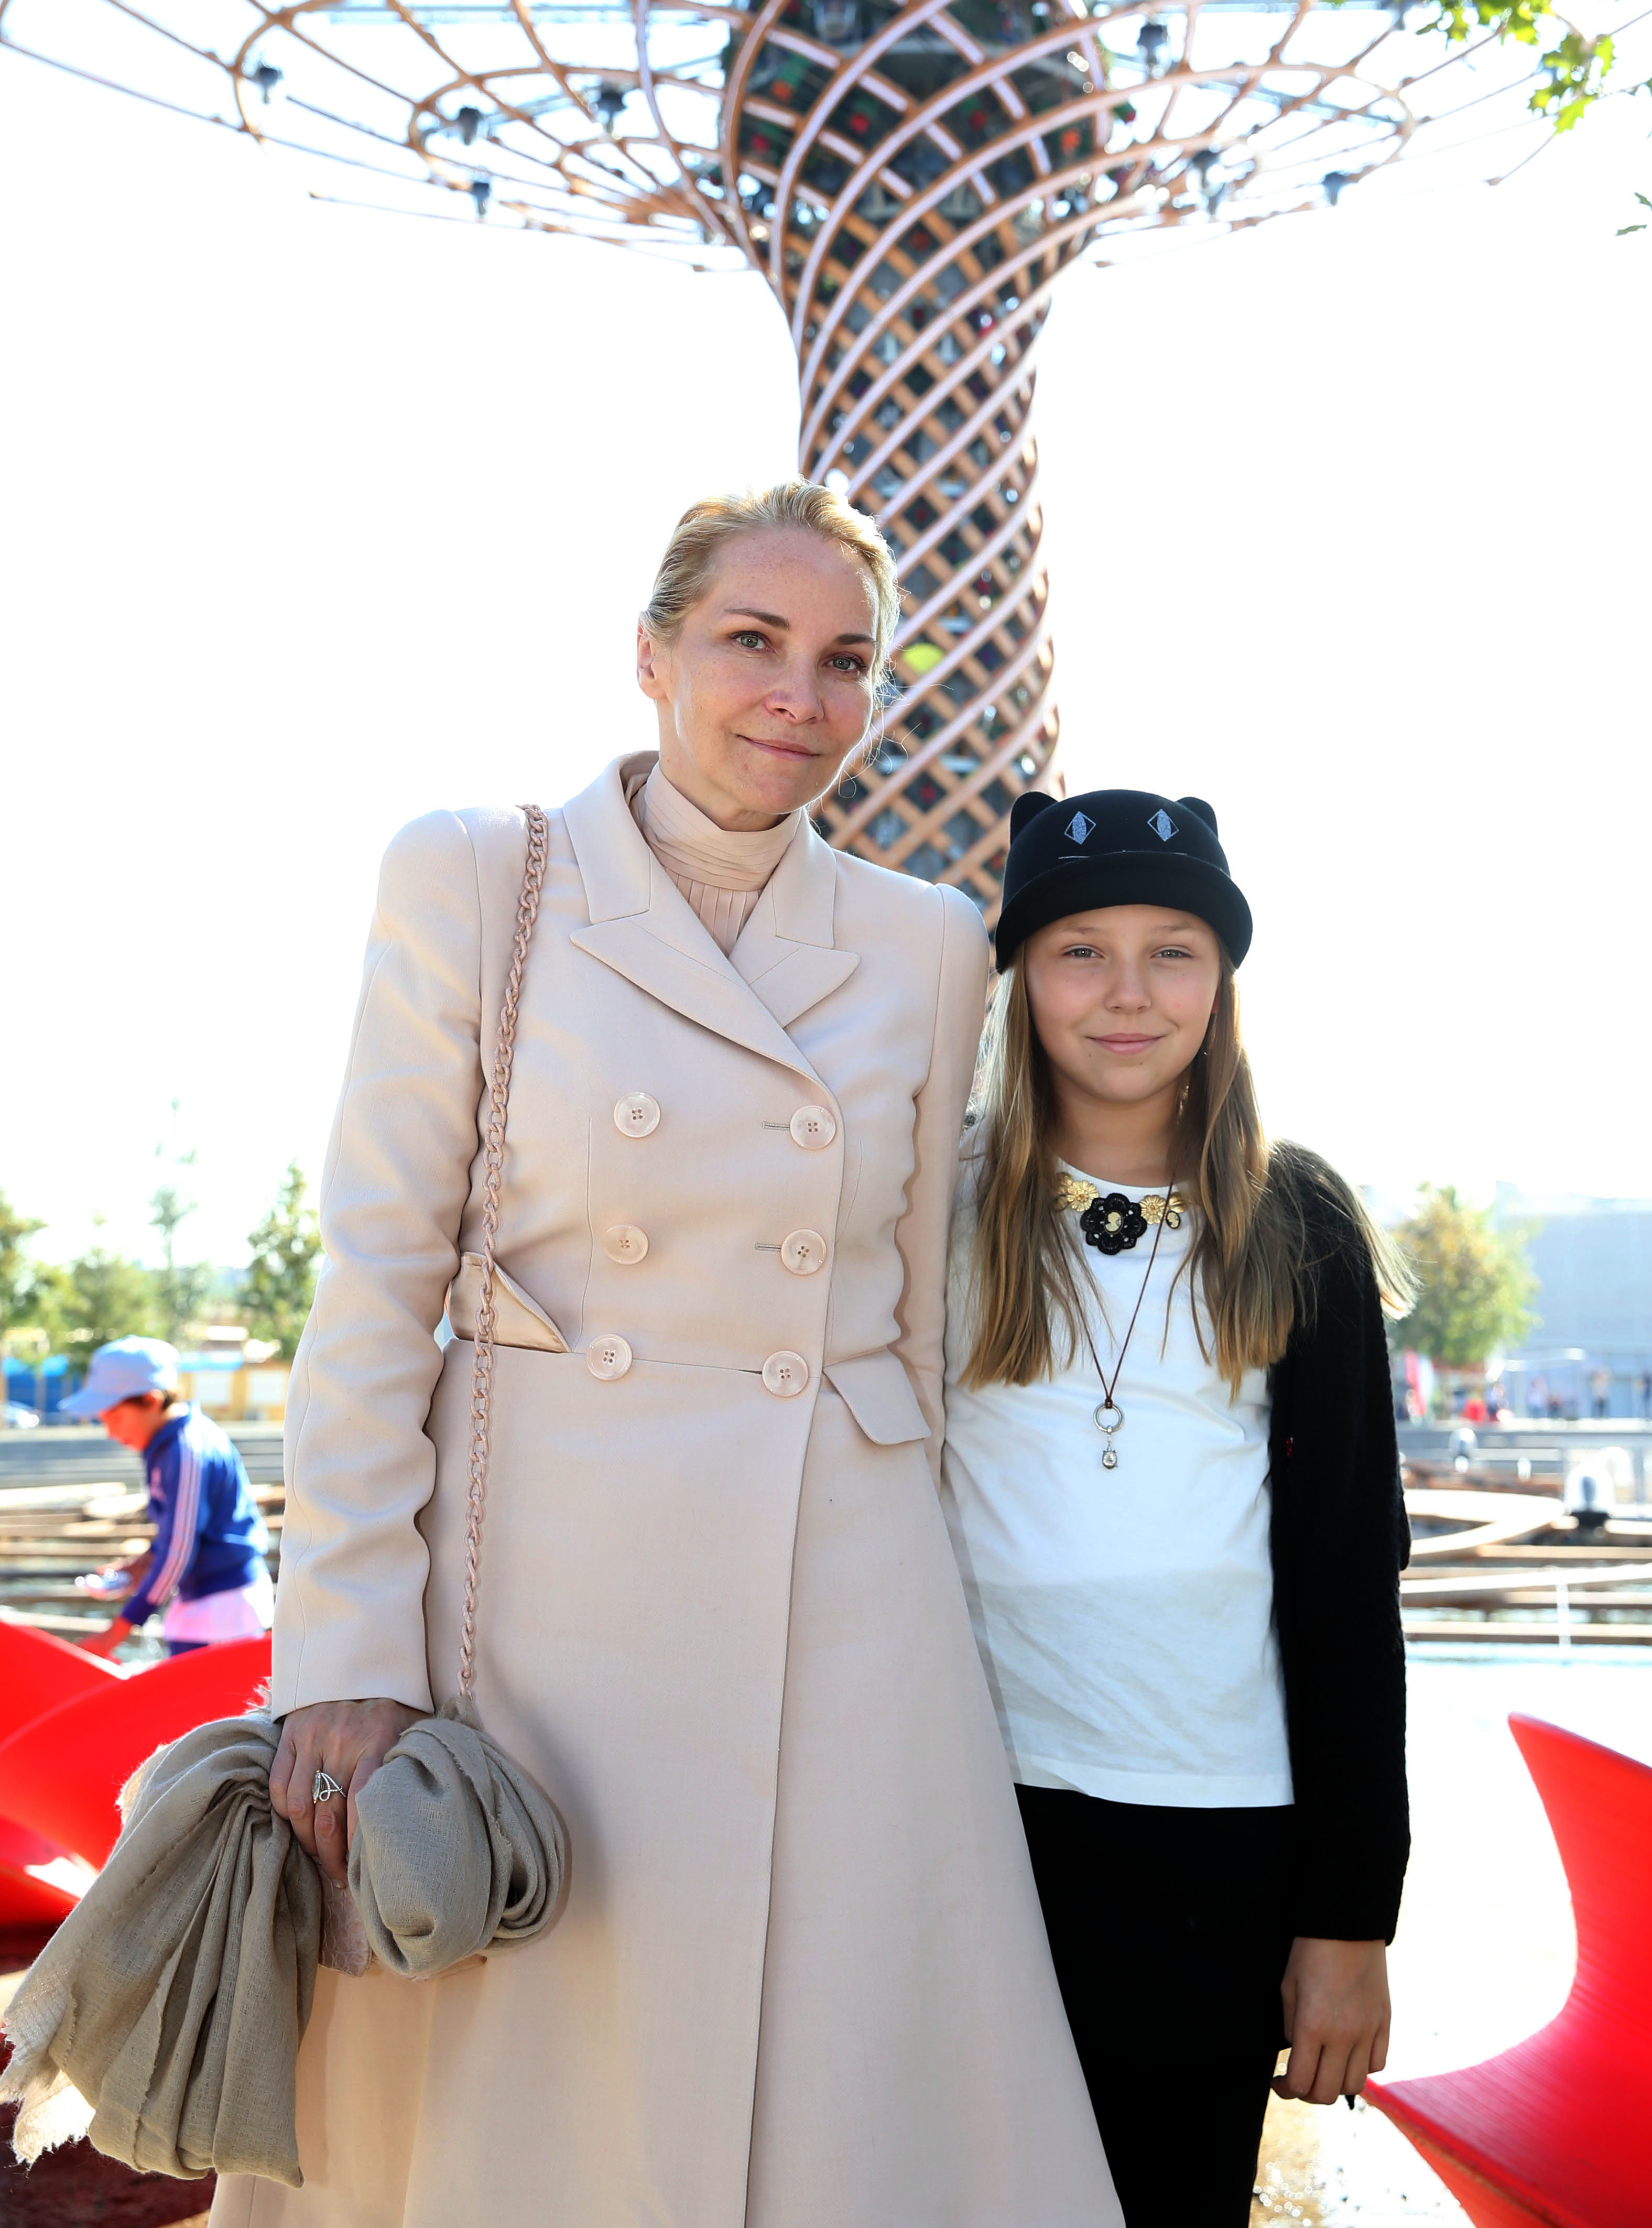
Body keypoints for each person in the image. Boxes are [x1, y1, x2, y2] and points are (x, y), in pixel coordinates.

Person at [224, 482, 1119, 2228]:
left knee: (845, 2099)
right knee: (533, 2084)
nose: (798, 694)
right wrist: (343, 1641)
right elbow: (377, 1280)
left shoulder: (930, 942)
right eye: (750, 640)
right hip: (533, 1601)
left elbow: (911, 1324)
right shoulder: (476, 874)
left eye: (845, 658)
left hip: (839, 1601)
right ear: (649, 655)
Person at [940, 787, 1414, 2227]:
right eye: (1080, 951)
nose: (1128, 994)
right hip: (970, 1821)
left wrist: (1350, 1921)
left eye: (1174, 952)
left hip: (1215, 1845)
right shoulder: (928, 1206)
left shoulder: (1294, 1222)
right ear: (1020, 978)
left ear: (1222, 982)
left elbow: (1348, 1585)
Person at [60, 1335, 272, 1655]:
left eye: (115, 1418)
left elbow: (179, 1551)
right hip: (201, 1595)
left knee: (207, 1686)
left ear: (151, 1401)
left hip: (223, 1605)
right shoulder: (164, 1445)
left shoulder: (187, 1450)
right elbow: (176, 1532)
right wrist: (143, 1563)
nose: (111, 1432)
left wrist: (115, 1633)